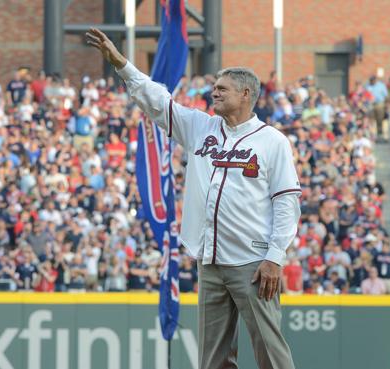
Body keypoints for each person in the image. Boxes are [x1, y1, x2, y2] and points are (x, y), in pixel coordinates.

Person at [87, 28, 299, 369]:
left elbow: (287, 202)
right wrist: (122, 64)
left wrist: (275, 256)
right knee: (212, 359)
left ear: (246, 94)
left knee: (270, 352)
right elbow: (158, 102)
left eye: (221, 88)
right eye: (214, 86)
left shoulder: (272, 141)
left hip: (252, 262)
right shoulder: (202, 127)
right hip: (210, 259)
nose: (212, 92)